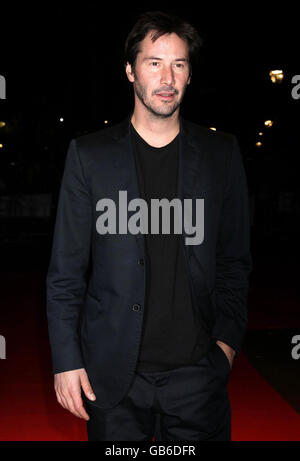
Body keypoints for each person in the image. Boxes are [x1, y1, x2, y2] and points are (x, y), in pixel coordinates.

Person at [46, 10, 252, 441]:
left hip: (198, 379)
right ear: (129, 71)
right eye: (154, 62)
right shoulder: (89, 156)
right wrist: (67, 360)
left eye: (179, 64)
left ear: (190, 75)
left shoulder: (221, 154)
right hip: (114, 381)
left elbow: (234, 260)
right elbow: (65, 272)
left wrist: (225, 349)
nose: (167, 77)